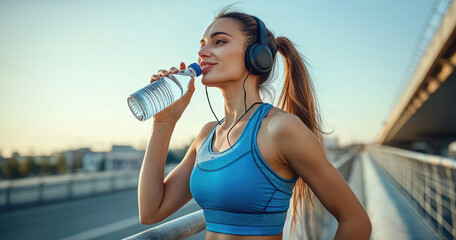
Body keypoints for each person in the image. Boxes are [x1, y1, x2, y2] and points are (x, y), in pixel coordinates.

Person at [138, 9, 372, 240]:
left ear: (256, 55)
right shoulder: (207, 135)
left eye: (219, 41)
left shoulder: (280, 128)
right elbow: (151, 211)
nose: (202, 52)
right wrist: (163, 124)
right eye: (202, 44)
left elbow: (356, 221)